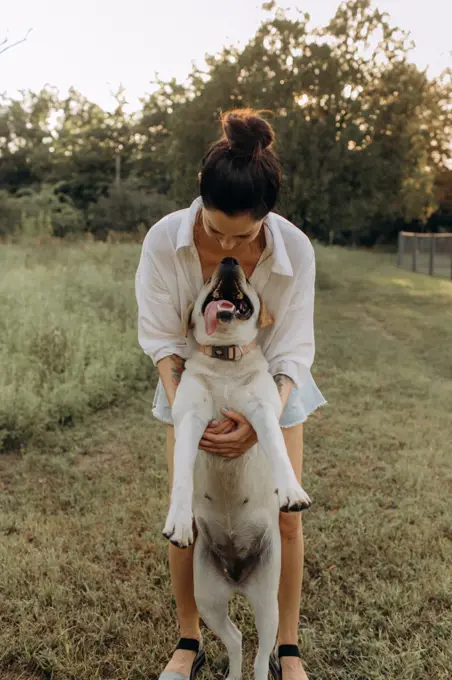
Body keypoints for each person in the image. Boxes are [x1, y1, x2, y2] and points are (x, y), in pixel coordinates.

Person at [135, 108, 326, 680]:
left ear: (266, 218)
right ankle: (188, 640)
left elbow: (294, 345)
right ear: (200, 197)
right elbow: (163, 338)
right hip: (191, 379)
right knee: (186, 510)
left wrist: (253, 415)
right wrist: (189, 400)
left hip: (268, 379)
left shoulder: (295, 250)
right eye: (216, 229)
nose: (226, 242)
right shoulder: (164, 241)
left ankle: (285, 651)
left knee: (286, 519)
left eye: (241, 235)